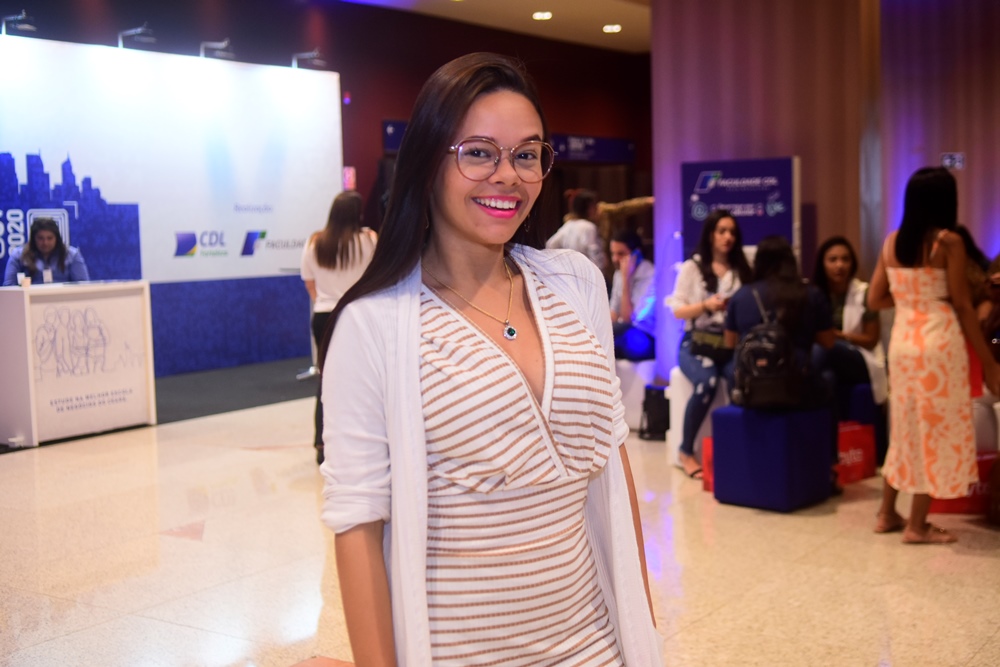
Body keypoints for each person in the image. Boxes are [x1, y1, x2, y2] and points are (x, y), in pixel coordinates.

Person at [318, 53, 661, 665]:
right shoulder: (375, 324)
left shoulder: (574, 284)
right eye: (478, 152)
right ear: (428, 162)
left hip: (596, 645)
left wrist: (642, 630)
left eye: (527, 155)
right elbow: (358, 524)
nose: (508, 175)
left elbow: (614, 467)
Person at [868, 167, 1000, 544]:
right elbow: (962, 305)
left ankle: (886, 513)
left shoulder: (891, 243)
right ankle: (917, 525)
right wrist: (988, 361)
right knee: (934, 430)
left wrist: (910, 298)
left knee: (906, 427)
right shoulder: (949, 242)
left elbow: (875, 298)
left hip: (903, 343)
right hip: (939, 343)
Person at [723, 236, 838, 486]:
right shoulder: (810, 294)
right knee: (828, 378)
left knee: (731, 368)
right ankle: (828, 466)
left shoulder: (741, 296)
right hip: (798, 389)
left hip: (751, 391)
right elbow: (828, 342)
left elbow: (730, 343)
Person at [664, 209, 752, 478]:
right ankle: (686, 451)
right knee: (707, 382)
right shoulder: (693, 267)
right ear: (711, 234)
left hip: (730, 343)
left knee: (742, 381)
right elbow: (677, 310)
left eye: (732, 232)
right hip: (696, 342)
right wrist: (705, 305)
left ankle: (739, 450)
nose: (728, 237)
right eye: (722, 231)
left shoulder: (742, 269)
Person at [300, 190, 377, 464]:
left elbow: (310, 283)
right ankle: (360, 442)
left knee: (326, 379)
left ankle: (322, 444)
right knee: (362, 381)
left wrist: (326, 302)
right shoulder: (369, 240)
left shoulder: (315, 242)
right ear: (357, 213)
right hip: (357, 315)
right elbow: (376, 278)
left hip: (323, 316)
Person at [810, 236, 888, 461]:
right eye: (833, 260)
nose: (840, 265)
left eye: (845, 259)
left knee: (826, 349)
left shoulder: (864, 292)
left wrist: (839, 336)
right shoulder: (814, 293)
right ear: (822, 263)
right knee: (827, 378)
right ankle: (830, 455)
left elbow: (871, 339)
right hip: (829, 362)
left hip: (860, 359)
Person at [609, 229, 657, 362]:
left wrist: (626, 279)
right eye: (613, 254)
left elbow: (628, 318)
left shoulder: (651, 276)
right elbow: (613, 314)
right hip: (624, 331)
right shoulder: (618, 274)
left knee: (620, 336)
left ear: (637, 253)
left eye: (621, 254)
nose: (615, 259)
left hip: (646, 337)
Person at [2, 218, 89, 286]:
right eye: (40, 238)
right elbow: (9, 287)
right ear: (33, 239)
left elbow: (83, 287)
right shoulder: (19, 256)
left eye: (50, 238)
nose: (45, 243)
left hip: (65, 301)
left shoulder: (72, 255)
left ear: (57, 238)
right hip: (30, 301)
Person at [545, 188, 607, 270]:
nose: (597, 210)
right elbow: (595, 254)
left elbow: (550, 244)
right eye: (594, 207)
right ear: (588, 208)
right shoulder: (589, 227)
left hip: (571, 271)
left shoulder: (567, 226)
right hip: (587, 272)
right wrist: (598, 272)